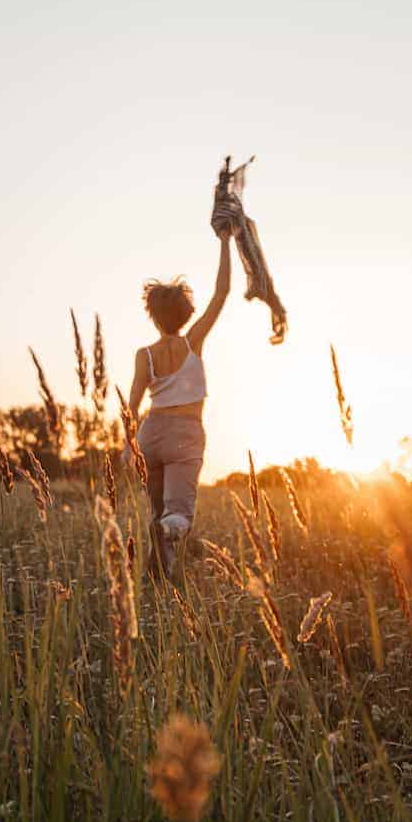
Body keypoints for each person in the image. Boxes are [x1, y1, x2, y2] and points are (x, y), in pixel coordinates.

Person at [125, 223, 232, 574]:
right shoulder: (193, 342)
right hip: (185, 433)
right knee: (179, 516)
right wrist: (226, 242)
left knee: (158, 513)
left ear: (153, 316)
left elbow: (132, 405)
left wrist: (129, 445)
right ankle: (167, 532)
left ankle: (160, 580)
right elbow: (221, 293)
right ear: (187, 314)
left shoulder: (145, 354)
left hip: (150, 434)